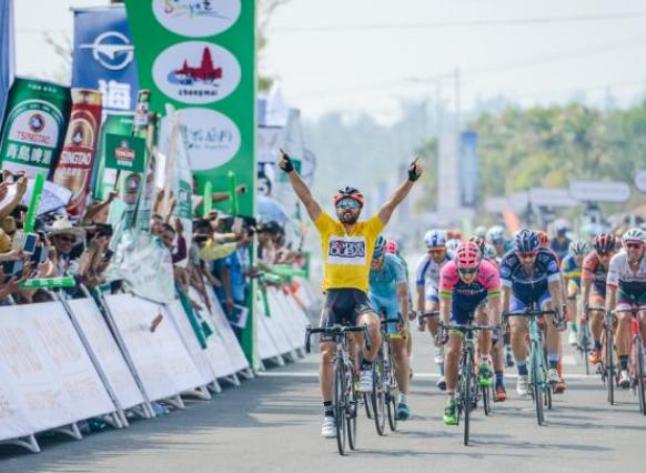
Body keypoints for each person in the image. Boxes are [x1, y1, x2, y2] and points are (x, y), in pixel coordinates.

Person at [278, 149, 422, 438]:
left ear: (358, 208)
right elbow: (307, 200)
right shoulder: (327, 227)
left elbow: (391, 204)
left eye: (352, 204)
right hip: (333, 298)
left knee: (373, 327)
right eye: (342, 204)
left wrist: (410, 180)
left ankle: (367, 368)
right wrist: (291, 171)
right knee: (326, 355)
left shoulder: (368, 230)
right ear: (337, 207)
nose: (346, 208)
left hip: (358, 296)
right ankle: (329, 414)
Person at [438, 241, 502, 425]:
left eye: (471, 271)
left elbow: (496, 305)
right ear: (457, 265)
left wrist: (496, 327)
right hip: (457, 306)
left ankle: (482, 360)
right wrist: (444, 326)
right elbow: (444, 304)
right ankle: (450, 399)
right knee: (451, 351)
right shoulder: (448, 270)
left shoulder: (489, 271)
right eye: (463, 271)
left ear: (478, 265)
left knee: (484, 317)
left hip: (480, 303)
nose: (467, 275)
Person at [500, 229, 565, 396]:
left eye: (531, 254)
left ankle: (552, 367)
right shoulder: (508, 261)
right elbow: (504, 292)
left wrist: (559, 311)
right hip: (519, 295)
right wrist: (503, 317)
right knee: (516, 328)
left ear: (537, 251)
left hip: (543, 292)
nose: (527, 259)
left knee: (552, 318)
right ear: (516, 253)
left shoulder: (548, 257)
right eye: (523, 255)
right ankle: (522, 374)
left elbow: (555, 287)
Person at [368, 236, 411, 420]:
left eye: (378, 258)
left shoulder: (394, 262)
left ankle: (403, 399)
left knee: (398, 348)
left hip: (393, 300)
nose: (374, 262)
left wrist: (402, 318)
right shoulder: (362, 264)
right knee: (369, 330)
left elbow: (402, 294)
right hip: (374, 298)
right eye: (371, 258)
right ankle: (371, 368)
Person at [605, 228, 646, 388]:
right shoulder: (617, 260)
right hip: (624, 292)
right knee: (623, 318)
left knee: (644, 317)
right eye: (629, 245)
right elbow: (611, 289)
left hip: (644, 291)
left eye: (636, 246)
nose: (632, 249)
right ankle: (623, 368)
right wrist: (609, 312)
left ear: (644, 247)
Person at [415, 229, 451, 390]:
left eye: (439, 251)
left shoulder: (454, 259)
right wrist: (421, 315)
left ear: (445, 248)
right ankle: (438, 341)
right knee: (430, 311)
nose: (435, 255)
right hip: (434, 288)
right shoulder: (423, 263)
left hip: (452, 289)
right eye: (432, 252)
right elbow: (420, 292)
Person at [581, 233, 617, 365]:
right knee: (596, 313)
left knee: (618, 317)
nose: (604, 257)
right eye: (601, 254)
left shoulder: (620, 259)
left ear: (614, 250)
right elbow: (585, 288)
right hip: (599, 290)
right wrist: (584, 309)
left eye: (608, 253)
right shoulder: (590, 260)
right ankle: (597, 346)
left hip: (616, 290)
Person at [561, 240, 590, 346]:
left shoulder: (590, 261)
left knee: (586, 299)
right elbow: (564, 283)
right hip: (574, 282)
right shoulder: (567, 262)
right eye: (576, 256)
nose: (579, 259)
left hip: (587, 282)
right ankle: (573, 330)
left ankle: (586, 323)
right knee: (570, 294)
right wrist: (565, 300)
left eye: (582, 256)